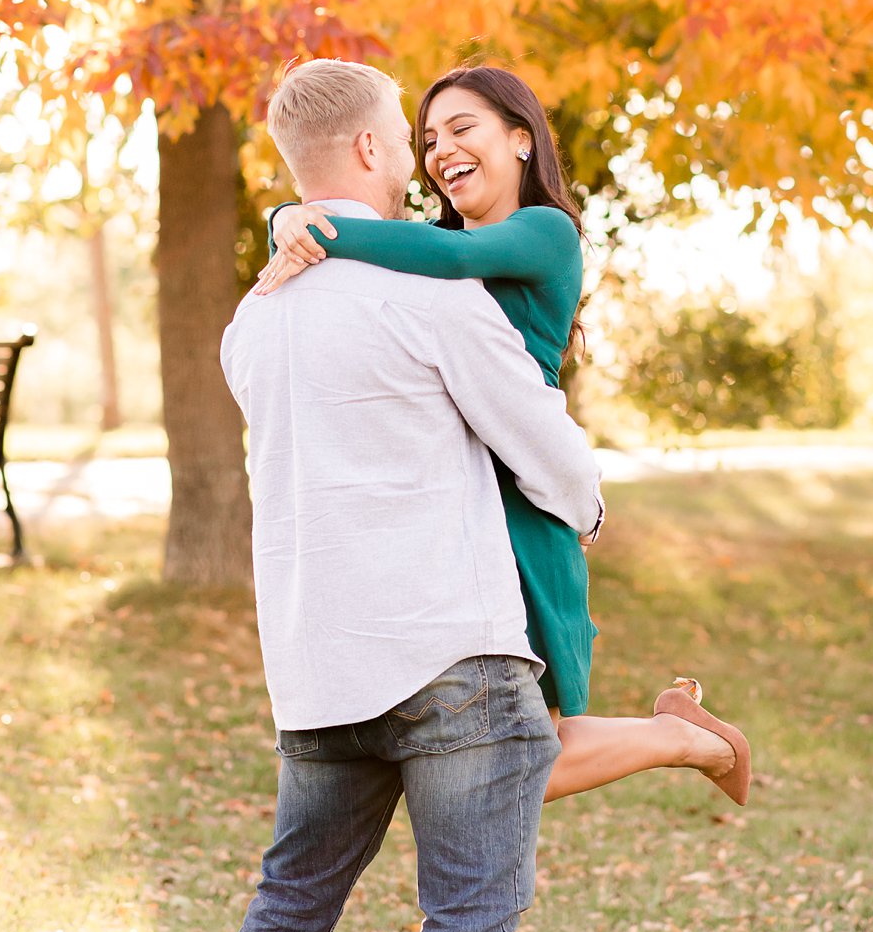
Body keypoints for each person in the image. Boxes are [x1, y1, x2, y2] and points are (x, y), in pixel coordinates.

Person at [203, 58, 624, 932]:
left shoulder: (256, 319)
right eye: (405, 133)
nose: (420, 155)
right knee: (468, 929)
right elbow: (544, 448)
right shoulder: (437, 299)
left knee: (288, 908)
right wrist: (584, 514)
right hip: (453, 657)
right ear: (372, 154)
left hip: (318, 665)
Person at [255, 62, 751, 810]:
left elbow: (449, 258)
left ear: (521, 139)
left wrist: (305, 223)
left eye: (463, 128)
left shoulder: (542, 232)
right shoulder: (424, 248)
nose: (439, 150)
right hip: (462, 501)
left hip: (525, 498)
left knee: (523, 755)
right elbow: (411, 248)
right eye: (425, 138)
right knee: (487, 749)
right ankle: (450, 918)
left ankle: (690, 739)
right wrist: (284, 220)